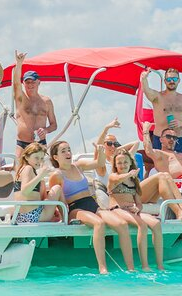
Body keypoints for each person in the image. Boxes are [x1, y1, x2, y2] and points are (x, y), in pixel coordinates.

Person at [49, 140, 134, 274]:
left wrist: (100, 151)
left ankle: (131, 268)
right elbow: (57, 196)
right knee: (99, 223)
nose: (68, 153)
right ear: (55, 157)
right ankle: (103, 267)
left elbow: (99, 163)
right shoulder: (57, 175)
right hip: (75, 208)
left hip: (91, 203)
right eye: (63, 151)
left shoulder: (79, 166)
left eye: (69, 149)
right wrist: (64, 217)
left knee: (122, 224)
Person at [108, 149, 164, 271]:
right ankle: (145, 265)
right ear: (115, 165)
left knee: (156, 224)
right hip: (117, 209)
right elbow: (119, 179)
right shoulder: (113, 177)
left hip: (131, 210)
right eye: (119, 163)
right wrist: (130, 174)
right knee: (142, 225)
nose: (122, 165)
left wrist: (137, 208)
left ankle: (160, 265)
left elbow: (139, 203)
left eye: (125, 162)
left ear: (130, 163)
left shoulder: (134, 181)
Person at [12, 50, 57, 157]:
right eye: (27, 82)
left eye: (33, 81)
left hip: (40, 144)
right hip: (22, 144)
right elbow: (16, 83)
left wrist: (46, 130)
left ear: (39, 82)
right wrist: (19, 64)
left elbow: (54, 124)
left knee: (41, 172)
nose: (30, 84)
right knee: (19, 171)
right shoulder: (21, 99)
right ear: (24, 83)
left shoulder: (47, 101)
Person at [140, 68, 182, 157]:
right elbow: (146, 90)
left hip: (179, 139)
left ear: (179, 80)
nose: (171, 81)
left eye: (174, 79)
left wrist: (180, 123)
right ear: (165, 81)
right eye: (168, 79)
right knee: (160, 168)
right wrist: (144, 78)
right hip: (160, 140)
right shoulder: (158, 96)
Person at [93, 117, 139, 208]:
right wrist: (106, 128)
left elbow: (136, 143)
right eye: (109, 144)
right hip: (110, 195)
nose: (113, 146)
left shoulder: (121, 160)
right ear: (103, 145)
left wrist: (116, 148)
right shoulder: (101, 163)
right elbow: (98, 147)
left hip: (124, 192)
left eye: (116, 144)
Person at [13, 143, 64, 224]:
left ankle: (62, 216)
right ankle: (66, 219)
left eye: (41, 158)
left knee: (45, 185)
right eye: (36, 158)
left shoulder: (21, 170)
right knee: (57, 188)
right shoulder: (28, 168)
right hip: (33, 215)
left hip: (21, 217)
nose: (39, 161)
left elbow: (36, 196)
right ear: (26, 157)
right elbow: (25, 191)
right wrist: (40, 176)